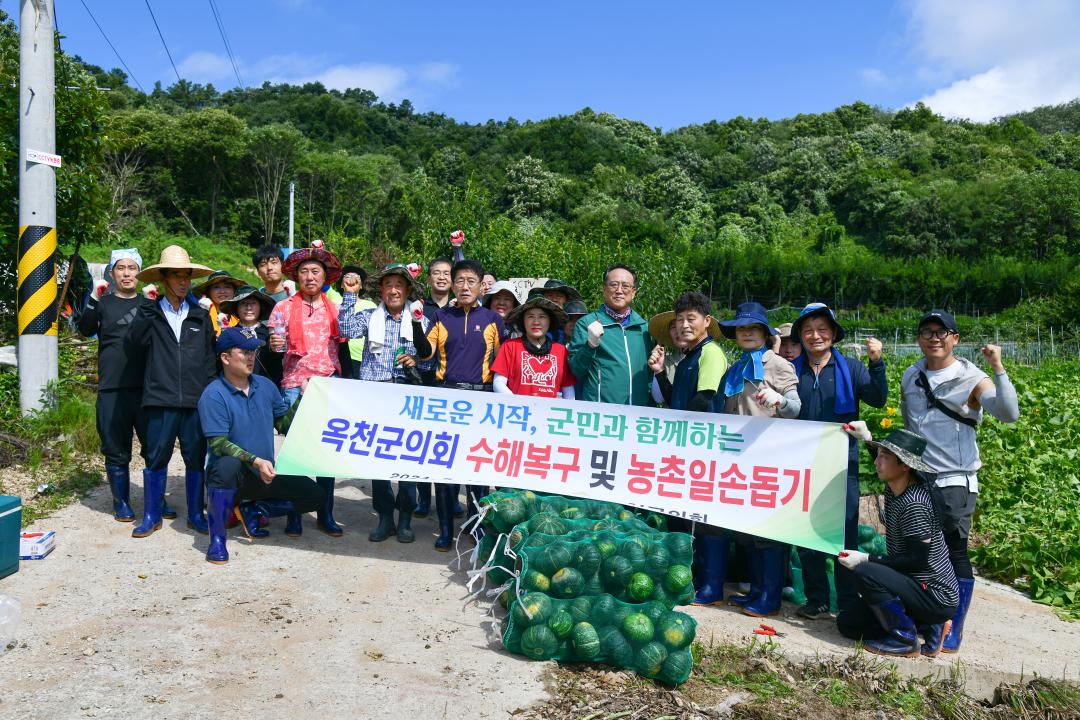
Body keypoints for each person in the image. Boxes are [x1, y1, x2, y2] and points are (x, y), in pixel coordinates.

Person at [900, 309, 1019, 653]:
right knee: (920, 551)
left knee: (953, 553)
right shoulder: (912, 374)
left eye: (942, 332)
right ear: (919, 338)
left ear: (955, 339)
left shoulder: (972, 378)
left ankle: (953, 625)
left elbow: (1008, 414)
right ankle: (929, 618)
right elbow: (910, 425)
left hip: (954, 480)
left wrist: (999, 368)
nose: (934, 337)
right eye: (927, 331)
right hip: (918, 478)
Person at [790, 302, 888, 621]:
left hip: (841, 464)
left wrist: (877, 363)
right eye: (808, 330)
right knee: (805, 531)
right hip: (801, 463)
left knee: (843, 533)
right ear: (801, 336)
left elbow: (877, 398)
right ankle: (817, 598)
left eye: (822, 329)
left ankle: (846, 599)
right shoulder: (793, 369)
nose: (815, 336)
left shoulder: (851, 368)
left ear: (833, 334)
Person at [198, 328, 326, 564]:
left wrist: (302, 400)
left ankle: (255, 511)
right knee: (226, 465)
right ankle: (217, 541)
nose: (251, 357)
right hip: (233, 478)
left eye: (253, 351)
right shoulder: (213, 394)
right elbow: (217, 443)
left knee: (316, 496)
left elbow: (285, 424)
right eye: (244, 352)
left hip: (264, 474)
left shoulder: (265, 386)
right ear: (225, 358)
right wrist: (256, 461)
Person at [835, 424, 960, 658]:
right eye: (879, 455)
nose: (877, 463)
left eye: (885, 457)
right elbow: (885, 462)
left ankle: (904, 638)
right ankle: (928, 626)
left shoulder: (915, 505)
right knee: (848, 624)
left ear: (904, 466)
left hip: (935, 594)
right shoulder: (897, 485)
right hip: (912, 586)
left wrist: (867, 558)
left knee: (866, 572)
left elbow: (916, 561)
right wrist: (868, 439)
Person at [717, 301, 801, 617]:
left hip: (769, 458)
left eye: (753, 328)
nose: (747, 332)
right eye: (741, 328)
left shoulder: (778, 365)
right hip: (738, 460)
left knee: (768, 530)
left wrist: (780, 401)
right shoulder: (735, 368)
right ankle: (756, 589)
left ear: (765, 334)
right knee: (745, 530)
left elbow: (796, 407)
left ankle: (771, 596)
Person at [339, 264, 432, 544]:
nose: (393, 290)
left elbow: (427, 358)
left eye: (399, 286)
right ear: (381, 290)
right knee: (378, 462)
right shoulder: (369, 316)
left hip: (406, 395)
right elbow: (344, 328)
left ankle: (405, 519)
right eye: (388, 285)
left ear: (407, 291)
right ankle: (384, 519)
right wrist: (349, 295)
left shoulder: (419, 319)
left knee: (407, 460)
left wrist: (414, 361)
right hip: (375, 393)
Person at [647, 293, 730, 603]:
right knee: (681, 513)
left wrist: (677, 428)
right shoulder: (686, 360)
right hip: (686, 447)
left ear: (706, 322)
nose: (683, 326)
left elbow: (703, 398)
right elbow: (674, 401)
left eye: (690, 319)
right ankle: (689, 578)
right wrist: (658, 373)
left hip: (705, 447)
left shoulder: (710, 353)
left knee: (707, 517)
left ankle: (712, 585)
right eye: (679, 320)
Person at [129, 245, 216, 538]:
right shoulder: (151, 312)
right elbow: (135, 341)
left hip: (194, 400)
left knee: (195, 458)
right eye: (177, 276)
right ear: (164, 279)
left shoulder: (199, 316)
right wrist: (146, 307)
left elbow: (209, 359)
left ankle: (195, 514)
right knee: (156, 458)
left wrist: (208, 394)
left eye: (187, 277)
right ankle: (151, 515)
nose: (183, 282)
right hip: (160, 398)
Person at [420, 259, 505, 550]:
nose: (465, 286)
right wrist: (417, 330)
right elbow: (427, 352)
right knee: (445, 467)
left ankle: (475, 525)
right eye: (460, 281)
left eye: (471, 281)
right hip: (447, 397)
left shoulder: (494, 319)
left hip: (482, 398)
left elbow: (502, 362)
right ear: (453, 285)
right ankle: (445, 530)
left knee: (477, 467)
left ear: (482, 285)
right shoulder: (441, 317)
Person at [267, 244, 347, 537]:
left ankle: (325, 513)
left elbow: (348, 339)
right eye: (304, 271)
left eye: (316, 271)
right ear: (296, 276)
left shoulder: (336, 310)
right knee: (295, 453)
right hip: (293, 387)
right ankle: (294, 514)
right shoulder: (283, 308)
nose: (310, 276)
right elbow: (275, 343)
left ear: (325, 276)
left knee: (325, 454)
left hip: (327, 386)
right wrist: (274, 346)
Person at [78, 248, 152, 522]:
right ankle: (121, 501)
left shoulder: (148, 303)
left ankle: (155, 501)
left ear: (139, 273)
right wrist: (94, 298)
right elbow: (85, 329)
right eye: (121, 268)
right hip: (112, 388)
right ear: (112, 273)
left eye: (132, 268)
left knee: (154, 447)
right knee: (115, 446)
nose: (127, 273)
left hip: (146, 388)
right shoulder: (103, 303)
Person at [568, 264, 654, 406]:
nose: (619, 291)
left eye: (625, 286)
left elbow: (649, 374)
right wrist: (590, 345)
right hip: (601, 413)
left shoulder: (643, 328)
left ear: (633, 292)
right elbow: (577, 369)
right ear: (604, 289)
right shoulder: (587, 324)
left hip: (638, 415)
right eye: (613, 285)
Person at [492, 297, 575, 399]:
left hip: (550, 413)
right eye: (530, 317)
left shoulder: (561, 351)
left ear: (550, 321)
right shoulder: (510, 346)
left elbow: (568, 390)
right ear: (523, 321)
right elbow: (498, 383)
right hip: (519, 411)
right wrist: (519, 403)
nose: (536, 322)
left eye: (542, 317)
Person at [218, 286, 281, 388]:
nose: (248, 307)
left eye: (253, 303)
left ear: (260, 307)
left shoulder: (270, 334)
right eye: (243, 303)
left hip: (266, 390)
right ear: (236, 308)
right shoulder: (229, 335)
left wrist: (274, 349)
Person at [327, 265, 377, 380]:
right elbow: (324, 284)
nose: (351, 280)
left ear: (361, 285)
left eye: (356, 278)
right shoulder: (335, 301)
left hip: (363, 358)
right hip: (341, 357)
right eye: (347, 277)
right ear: (341, 284)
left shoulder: (370, 305)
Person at [193, 270, 245, 336]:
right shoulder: (200, 312)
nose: (222, 291)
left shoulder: (241, 315)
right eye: (216, 287)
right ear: (209, 292)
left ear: (234, 291)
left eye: (227, 287)